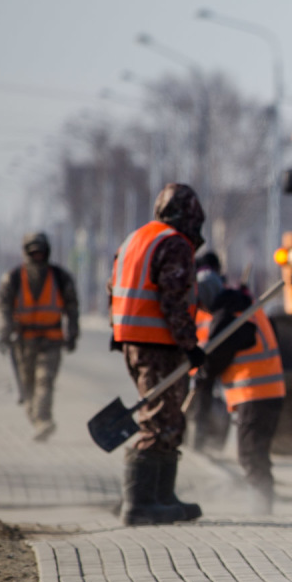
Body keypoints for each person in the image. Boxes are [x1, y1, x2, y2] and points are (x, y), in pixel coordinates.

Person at [110, 183, 207, 526]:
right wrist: (190, 346)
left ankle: (163, 498)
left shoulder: (136, 238)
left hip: (135, 341)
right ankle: (139, 503)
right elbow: (173, 300)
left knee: (168, 418)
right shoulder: (174, 243)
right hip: (158, 344)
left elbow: (114, 288)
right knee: (158, 419)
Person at [197, 284, 286, 514]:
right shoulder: (248, 311)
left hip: (255, 394)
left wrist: (202, 375)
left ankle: (261, 507)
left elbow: (216, 359)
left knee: (250, 453)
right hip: (270, 393)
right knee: (256, 452)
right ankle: (263, 503)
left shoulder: (231, 318)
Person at [0, 232, 79, 441]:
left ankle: (44, 421)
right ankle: (36, 418)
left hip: (51, 339)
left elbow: (72, 307)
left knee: (45, 380)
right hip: (24, 342)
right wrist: (4, 332)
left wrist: (72, 333)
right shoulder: (13, 278)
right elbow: (4, 307)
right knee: (27, 386)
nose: (38, 256)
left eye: (41, 252)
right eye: (33, 252)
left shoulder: (60, 277)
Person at [189, 252, 228, 453]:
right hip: (211, 351)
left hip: (199, 352)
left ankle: (198, 442)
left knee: (199, 400)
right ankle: (205, 442)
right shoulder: (218, 283)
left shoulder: (203, 281)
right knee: (207, 397)